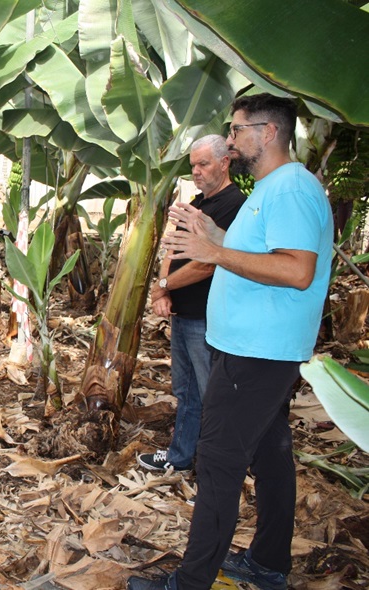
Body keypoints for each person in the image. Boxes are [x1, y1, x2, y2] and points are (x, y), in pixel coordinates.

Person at [127, 95, 333, 590]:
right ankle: (267, 564)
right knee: (270, 456)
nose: (232, 140)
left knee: (218, 464)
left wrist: (213, 251)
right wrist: (211, 231)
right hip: (253, 350)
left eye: (238, 129)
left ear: (268, 132)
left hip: (256, 354)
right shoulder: (269, 189)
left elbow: (297, 269)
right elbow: (254, 252)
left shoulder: (290, 190)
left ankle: (190, 581)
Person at [138, 135, 246, 473]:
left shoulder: (235, 204)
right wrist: (163, 291)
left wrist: (163, 285)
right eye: (193, 166)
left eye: (203, 164)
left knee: (211, 395)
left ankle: (215, 468)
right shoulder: (196, 204)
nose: (196, 172)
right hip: (182, 314)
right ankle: (180, 456)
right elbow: (173, 249)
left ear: (225, 162)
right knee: (186, 392)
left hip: (207, 318)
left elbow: (211, 262)